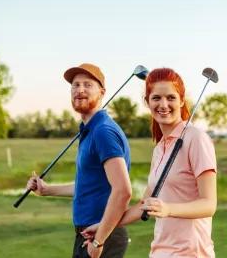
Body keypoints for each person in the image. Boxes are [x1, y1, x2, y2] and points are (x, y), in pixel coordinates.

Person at [82, 67, 218, 257]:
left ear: (181, 100)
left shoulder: (196, 138)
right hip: (160, 251)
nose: (163, 104)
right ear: (147, 102)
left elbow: (209, 205)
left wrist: (168, 208)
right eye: (156, 98)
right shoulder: (159, 149)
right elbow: (143, 205)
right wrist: (105, 226)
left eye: (170, 97)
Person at [26, 63, 132, 258]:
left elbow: (123, 191)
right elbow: (89, 185)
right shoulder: (90, 130)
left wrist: (99, 240)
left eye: (87, 84)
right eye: (75, 85)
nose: (80, 90)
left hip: (102, 234)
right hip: (89, 233)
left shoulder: (103, 132)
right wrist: (46, 190)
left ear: (102, 92)